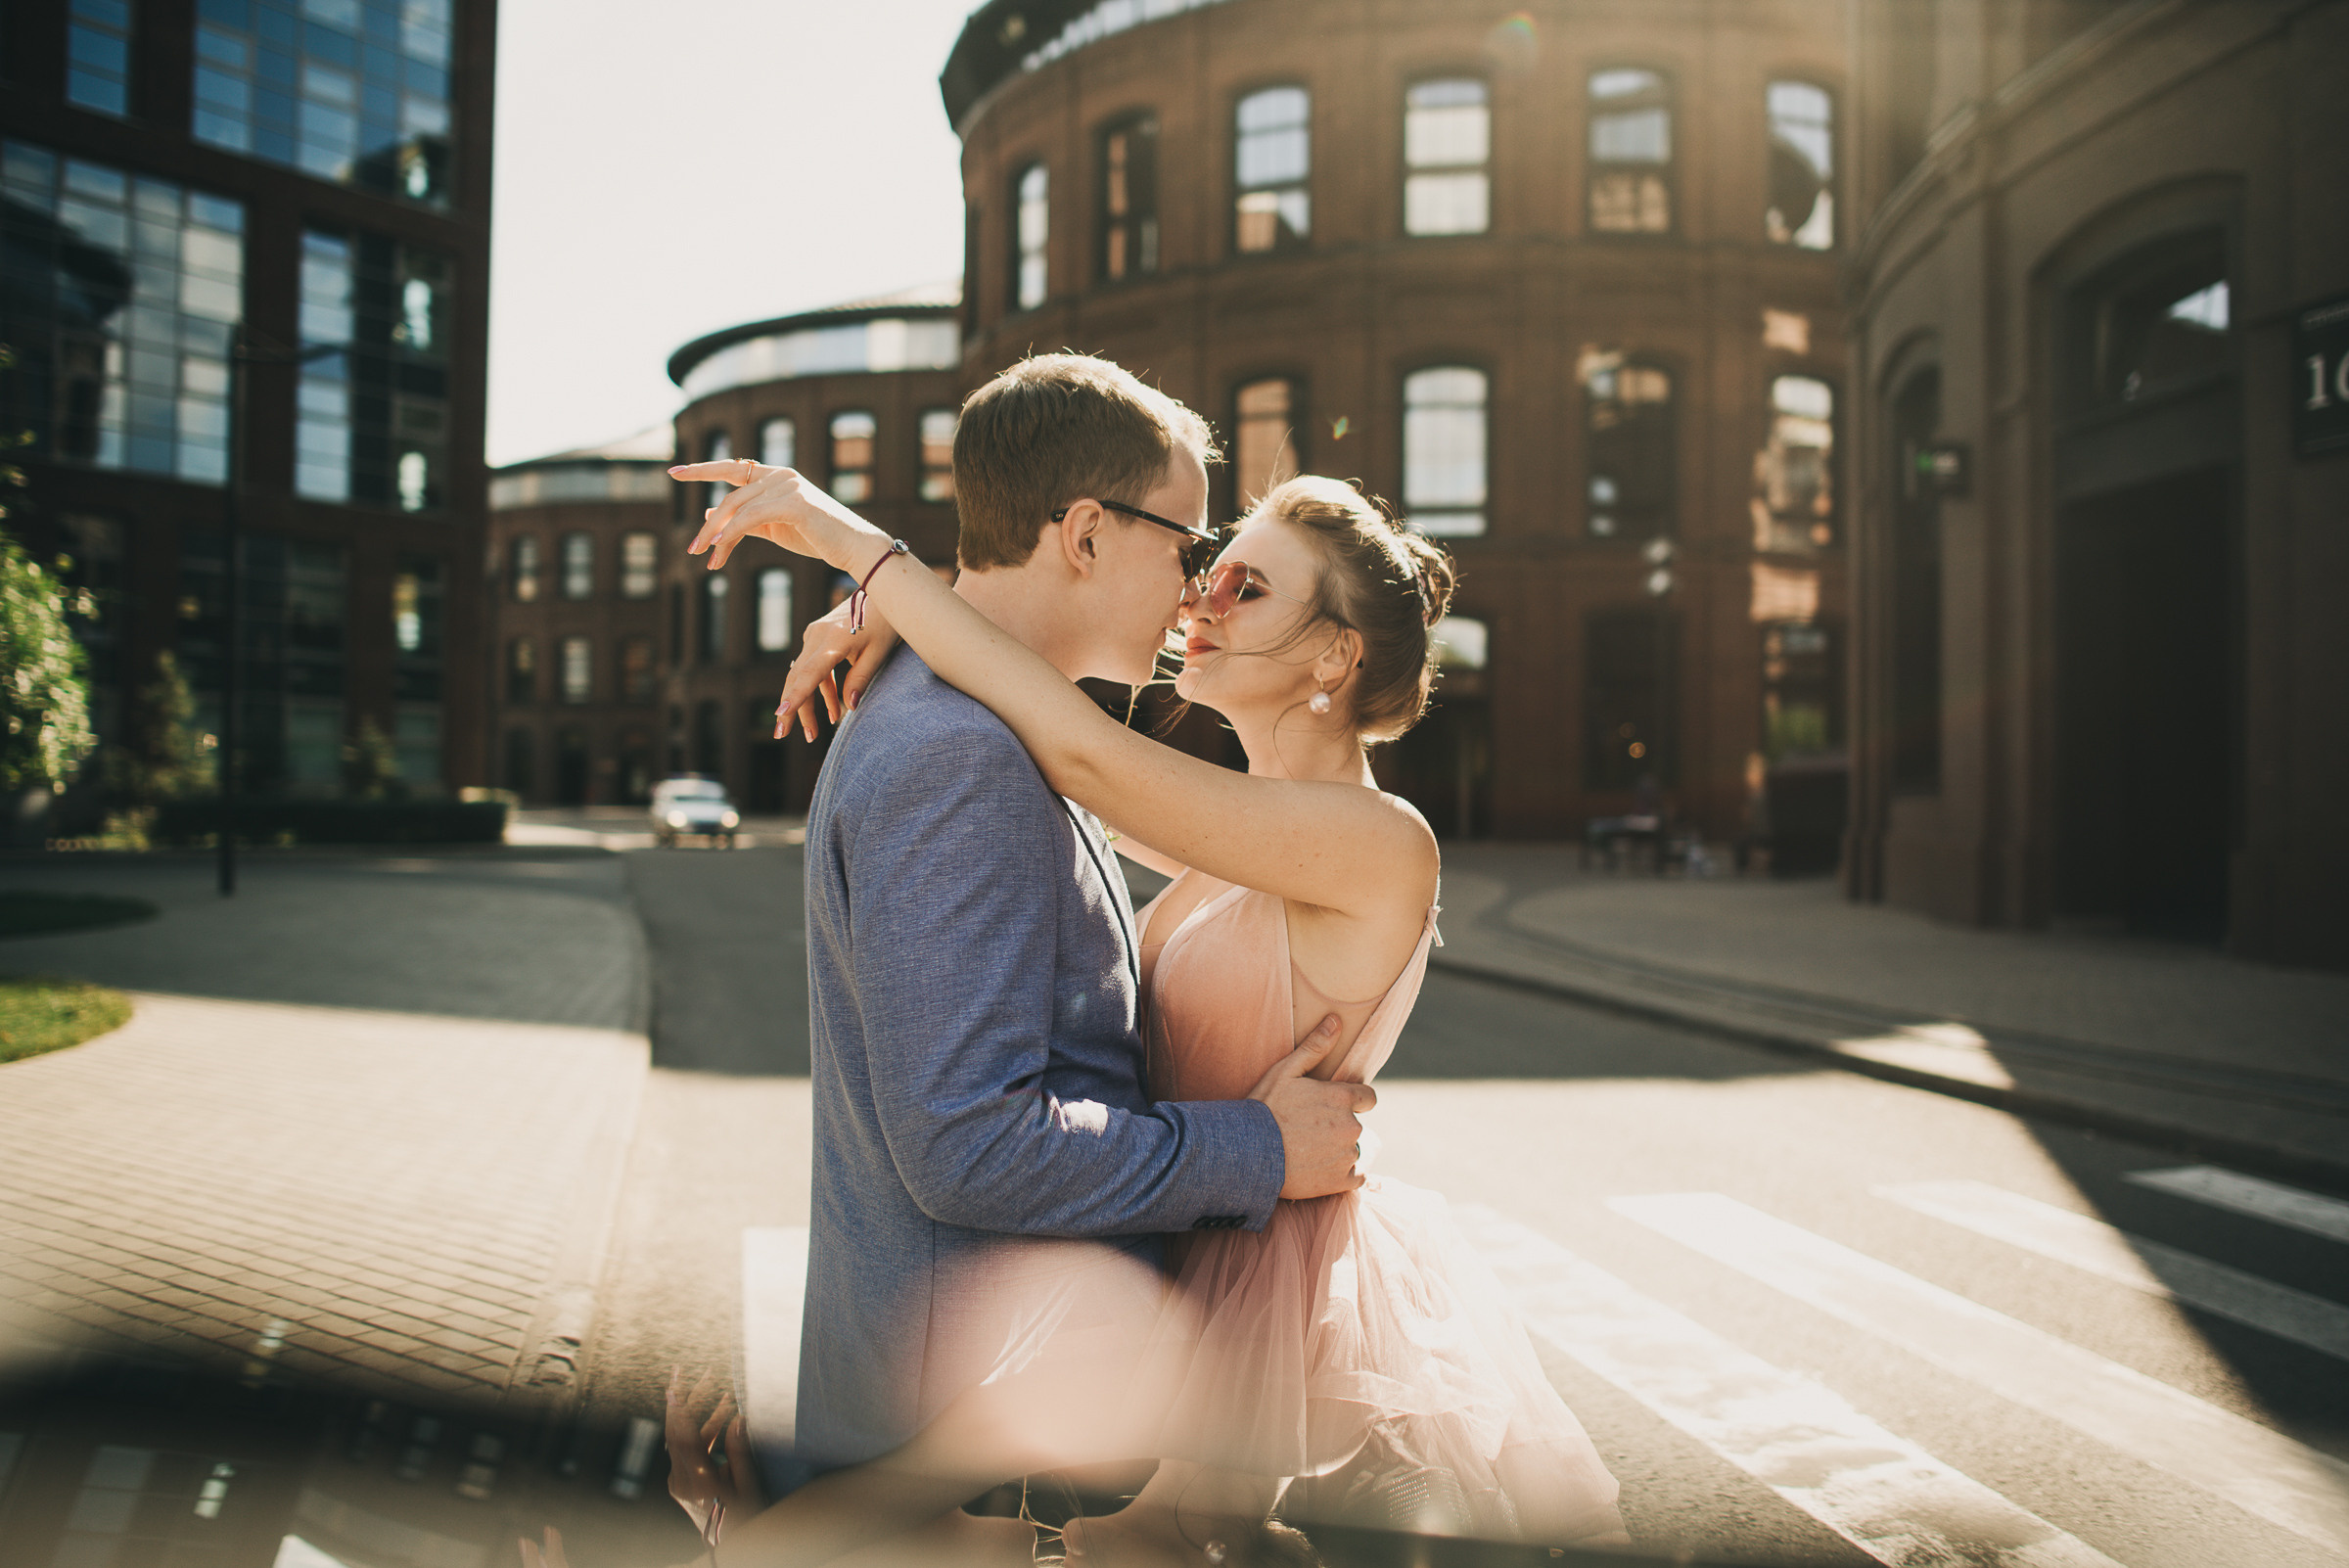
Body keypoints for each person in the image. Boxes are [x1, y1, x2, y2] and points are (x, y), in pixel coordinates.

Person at [657, 445, 1627, 1562]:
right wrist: (906, 636)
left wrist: (865, 559)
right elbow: (1037, 743)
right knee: (945, 1529)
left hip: (1244, 1291)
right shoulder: (1239, 832)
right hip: (1161, 1245)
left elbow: (1074, 748)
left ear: (1335, 655)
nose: (1201, 597)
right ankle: (739, 1536)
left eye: (1246, 588)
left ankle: (735, 1541)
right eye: (1211, 566)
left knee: (998, 1533)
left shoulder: (1376, 845)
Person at [521, 356, 1372, 1568]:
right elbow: (969, 1145)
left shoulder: (981, 723)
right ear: (1084, 533)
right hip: (972, 1483)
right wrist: (1260, 1149)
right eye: (1188, 546)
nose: (1193, 594)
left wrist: (875, 593)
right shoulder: (961, 757)